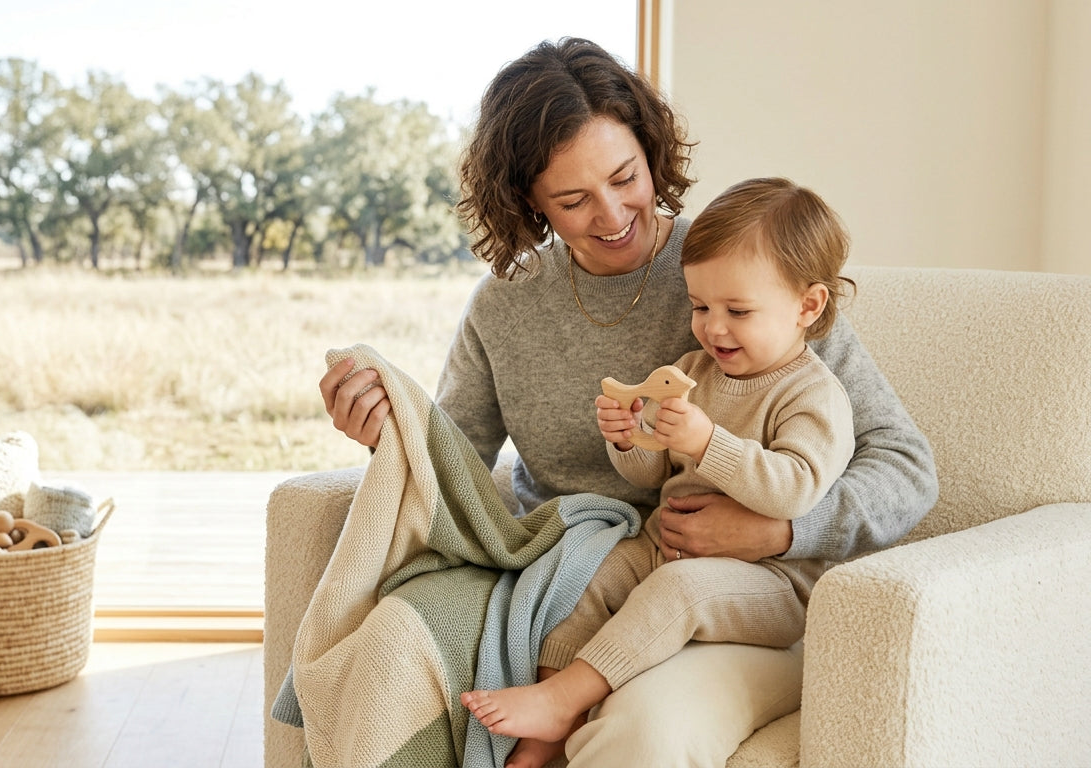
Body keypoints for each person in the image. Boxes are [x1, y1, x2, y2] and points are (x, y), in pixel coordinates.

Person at [319, 37, 937, 768]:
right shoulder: (507, 306)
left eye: (625, 177)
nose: (612, 215)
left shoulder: (738, 277)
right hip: (568, 568)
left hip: (733, 590)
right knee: (392, 648)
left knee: (639, 732)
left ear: (652, 155)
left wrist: (775, 533)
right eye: (573, 200)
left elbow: (905, 468)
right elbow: (454, 462)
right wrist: (385, 432)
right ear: (528, 200)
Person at [460, 177, 857, 768]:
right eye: (700, 307)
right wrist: (628, 439)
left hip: (775, 582)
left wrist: (707, 440)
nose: (713, 327)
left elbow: (794, 488)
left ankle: (566, 697)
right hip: (665, 548)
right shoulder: (696, 368)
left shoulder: (812, 394)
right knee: (584, 580)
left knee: (677, 591)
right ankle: (546, 728)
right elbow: (653, 476)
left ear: (809, 305)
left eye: (737, 311)